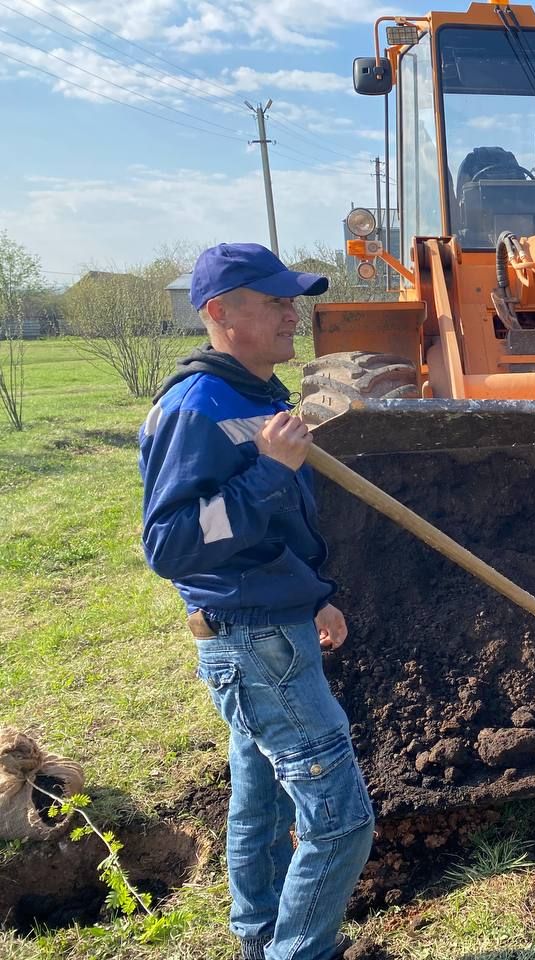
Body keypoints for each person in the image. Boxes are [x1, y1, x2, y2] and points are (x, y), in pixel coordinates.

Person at [138, 243, 374, 960]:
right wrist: (270, 473)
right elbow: (174, 543)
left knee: (264, 801)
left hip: (273, 623)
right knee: (340, 821)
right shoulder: (198, 408)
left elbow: (274, 531)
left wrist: (315, 597)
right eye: (273, 302)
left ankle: (259, 935)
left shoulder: (256, 394)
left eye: (290, 299)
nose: (290, 313)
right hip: (251, 642)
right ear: (218, 312)